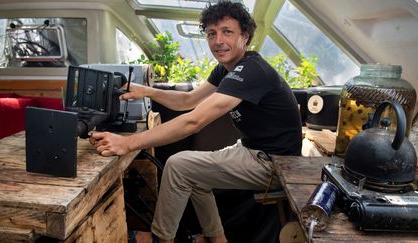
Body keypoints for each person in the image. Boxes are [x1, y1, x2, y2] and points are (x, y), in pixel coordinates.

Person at [90, 1, 302, 242]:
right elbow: (188, 100)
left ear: (245, 36)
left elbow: (194, 121)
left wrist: (128, 144)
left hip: (275, 165)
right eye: (212, 33)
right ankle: (216, 238)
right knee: (194, 171)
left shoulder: (252, 70)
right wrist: (147, 91)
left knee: (180, 165)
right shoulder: (226, 69)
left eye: (227, 32)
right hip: (254, 150)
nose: (218, 40)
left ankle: (159, 238)